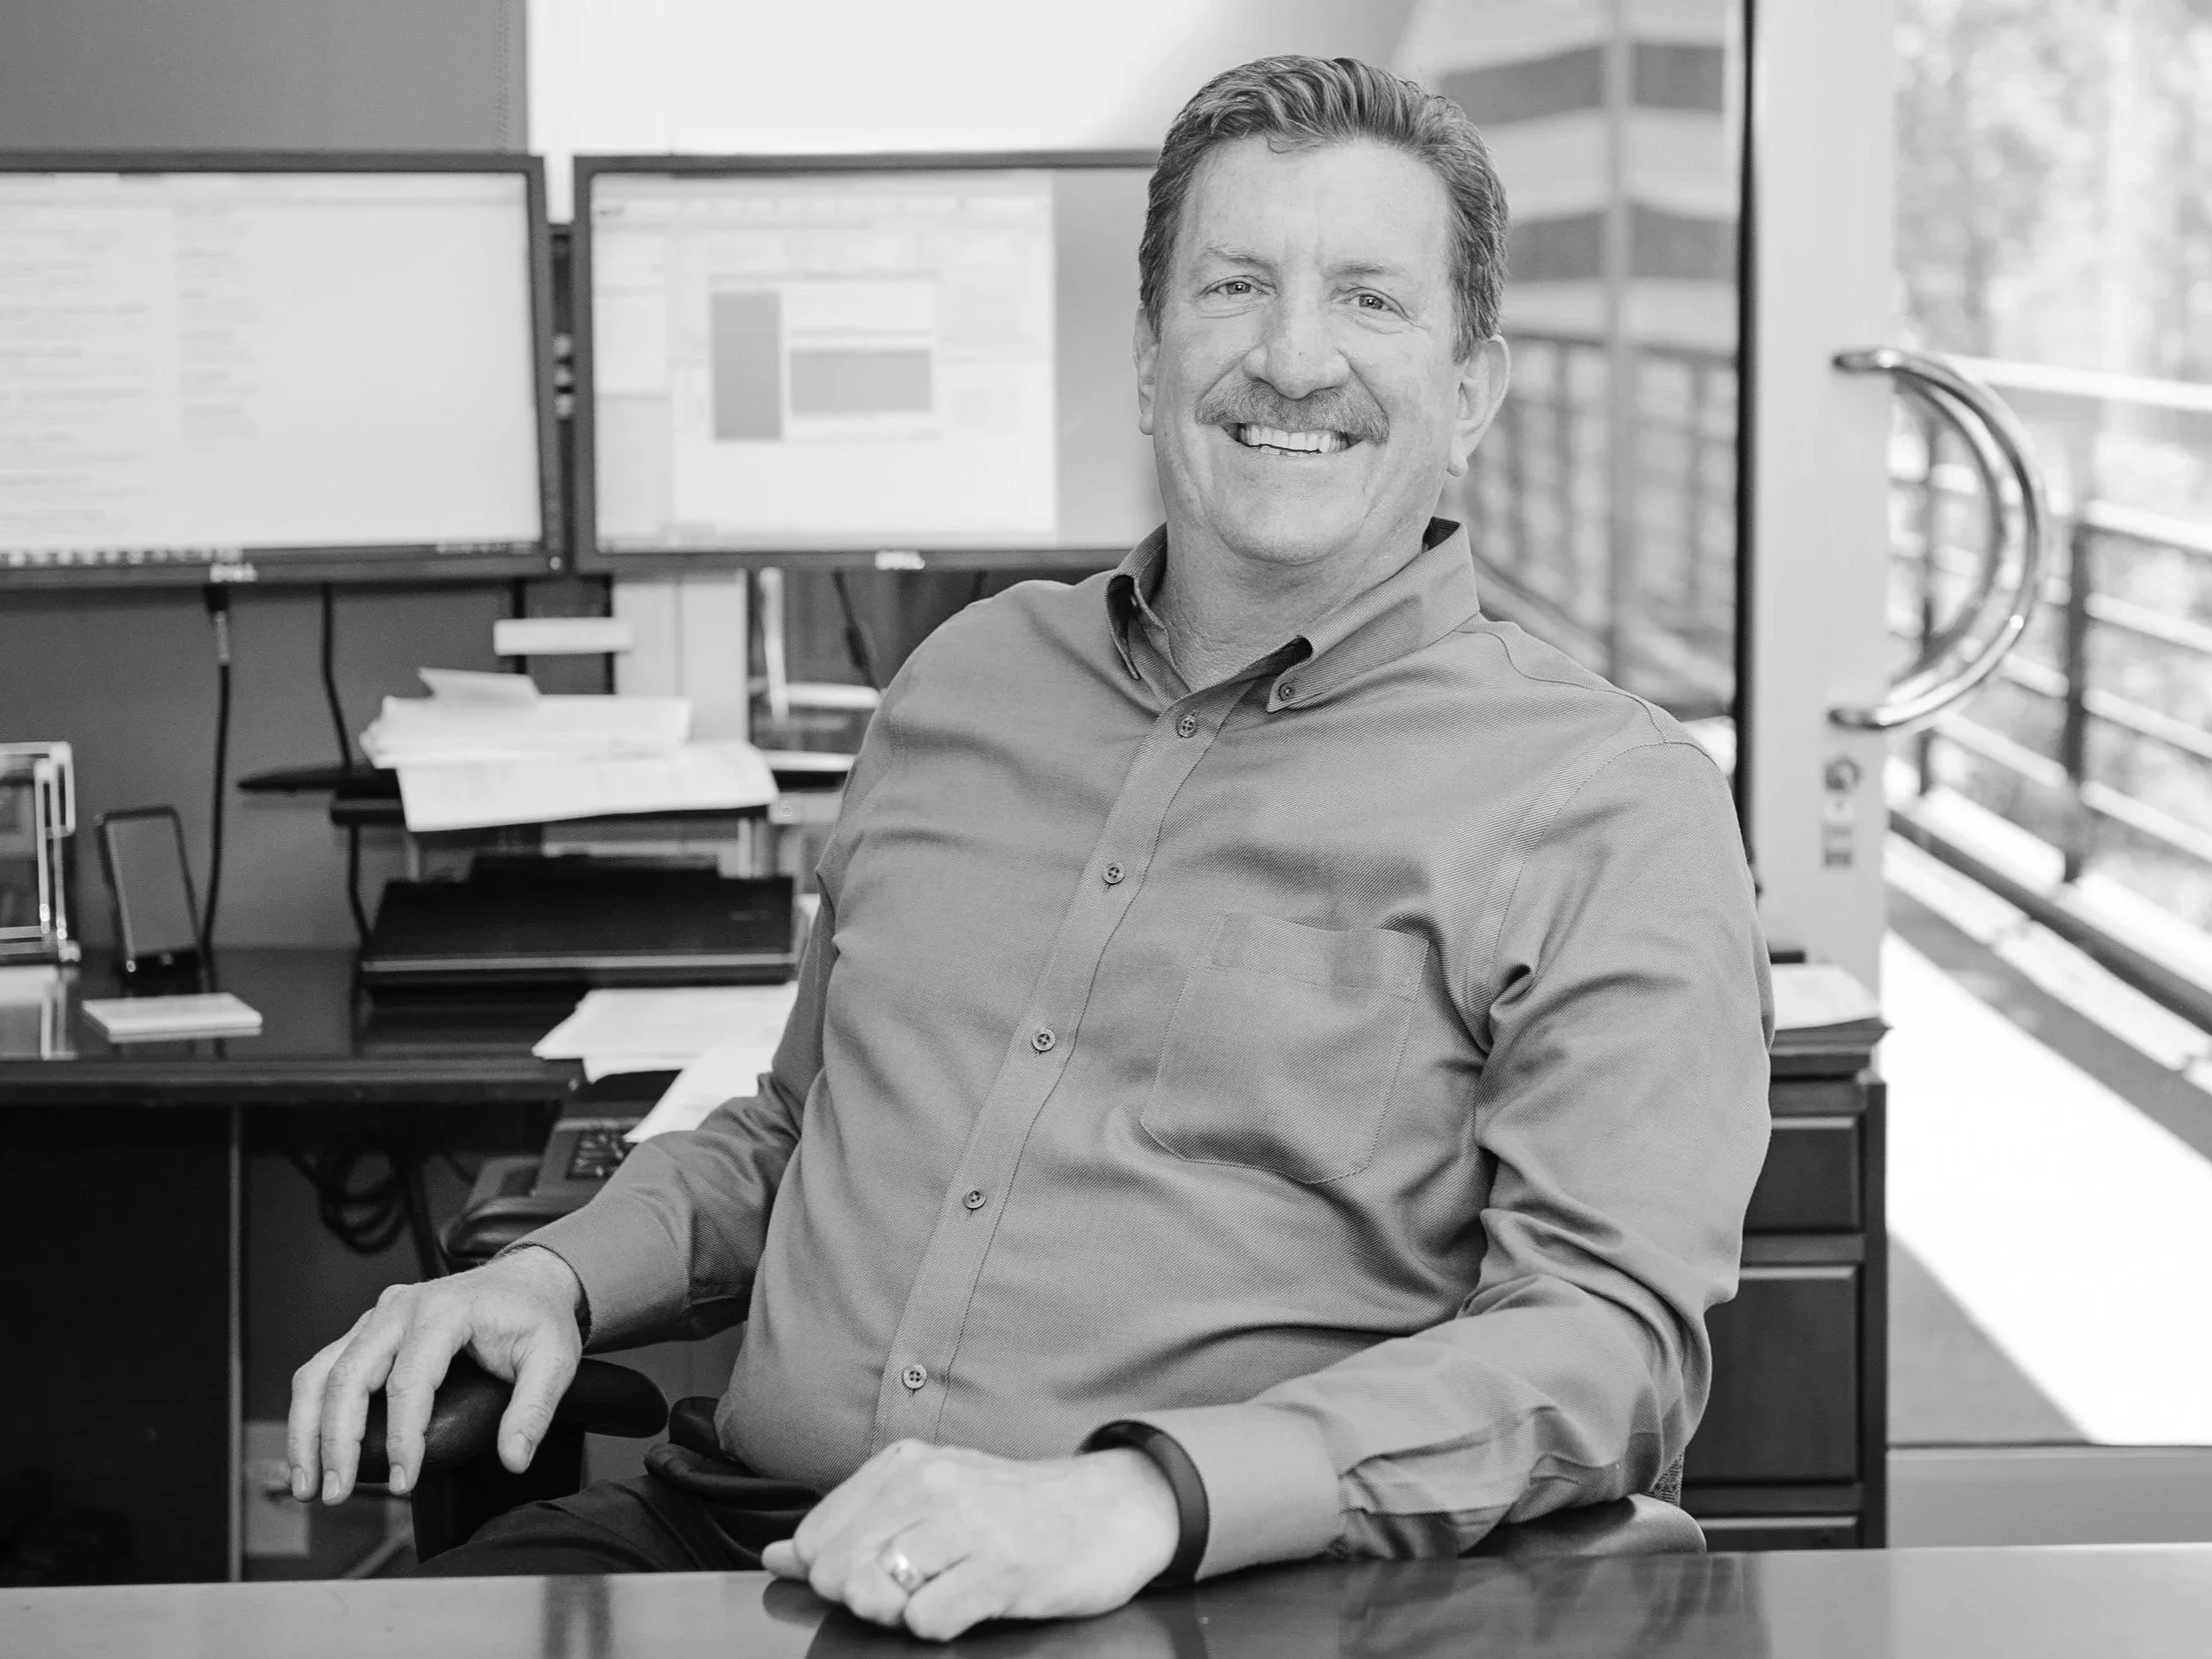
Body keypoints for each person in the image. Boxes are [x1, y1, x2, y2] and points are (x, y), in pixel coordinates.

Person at [288, 54, 1771, 1640]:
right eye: (1233, 287)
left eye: (1367, 301)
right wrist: (562, 1276)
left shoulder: (1603, 798)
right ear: (1146, 358)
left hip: (1178, 1588)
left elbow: (1605, 1345)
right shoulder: (965, 682)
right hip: (731, 1543)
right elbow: (801, 1125)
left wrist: (1142, 1493)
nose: (1289, 356)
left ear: (1471, 386)